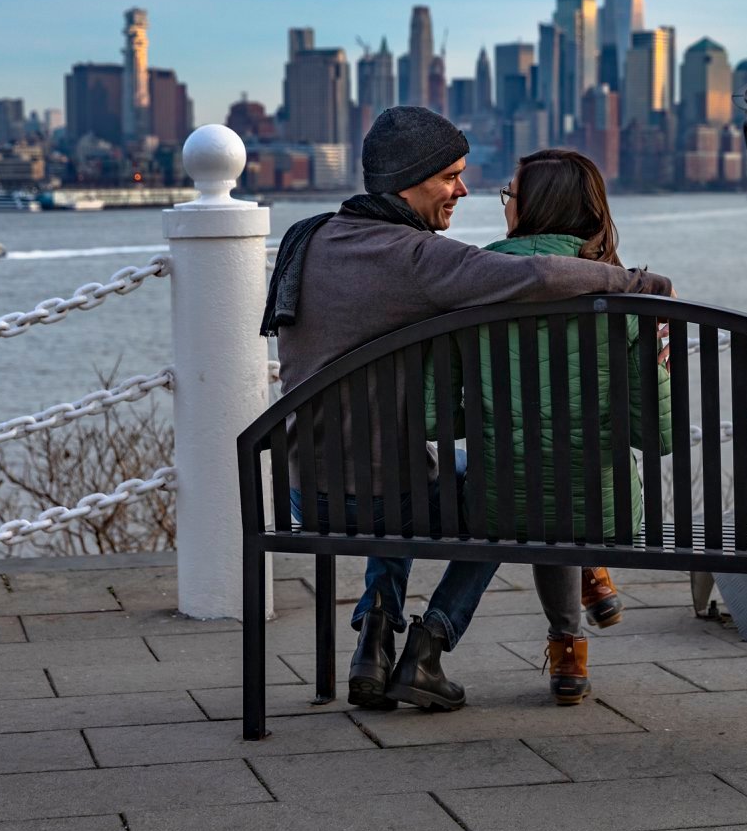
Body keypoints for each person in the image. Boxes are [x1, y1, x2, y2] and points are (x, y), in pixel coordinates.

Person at [263, 107, 674, 714]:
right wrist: (640, 285)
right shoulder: (418, 259)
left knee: (410, 470)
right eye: (452, 176)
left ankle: (376, 632)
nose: (463, 189)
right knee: (504, 493)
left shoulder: (311, 237)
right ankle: (428, 647)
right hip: (378, 495)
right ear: (414, 177)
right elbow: (535, 274)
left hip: (300, 490)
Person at [444, 149, 673, 704]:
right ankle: (580, 612)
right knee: (570, 475)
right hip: (605, 505)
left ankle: (570, 641)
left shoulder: (471, 281)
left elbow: (438, 417)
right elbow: (657, 434)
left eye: (509, 196)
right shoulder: (628, 295)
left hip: (496, 503)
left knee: (532, 472)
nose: (505, 206)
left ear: (528, 207)